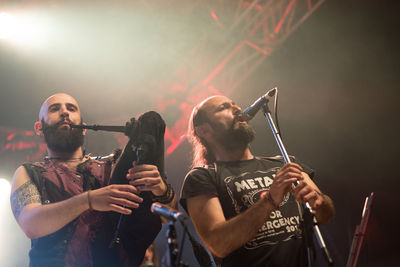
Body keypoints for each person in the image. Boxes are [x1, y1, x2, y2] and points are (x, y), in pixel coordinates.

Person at [10, 93, 177, 267]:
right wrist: (88, 200)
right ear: (39, 128)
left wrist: (162, 191)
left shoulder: (113, 166)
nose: (64, 112)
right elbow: (31, 225)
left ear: (83, 127)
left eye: (71, 108)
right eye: (55, 109)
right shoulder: (28, 172)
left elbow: (167, 218)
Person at [180, 95, 335, 267]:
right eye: (223, 107)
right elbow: (218, 244)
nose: (238, 109)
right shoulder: (202, 177)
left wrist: (319, 202)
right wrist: (269, 200)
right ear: (203, 131)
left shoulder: (284, 162)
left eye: (235, 104)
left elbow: (327, 215)